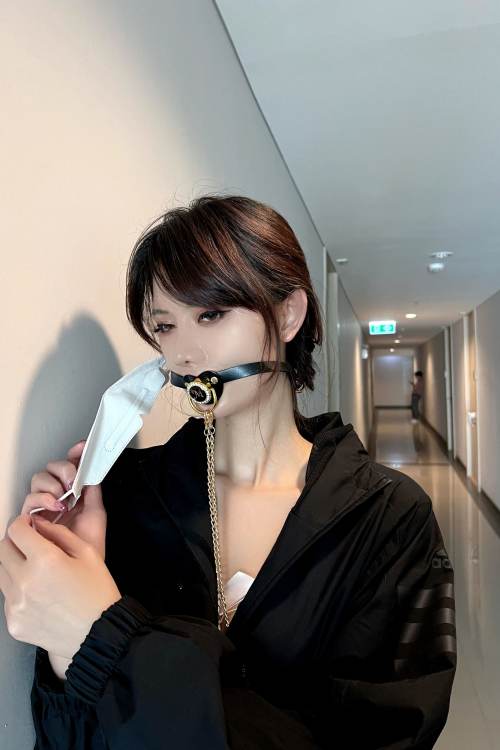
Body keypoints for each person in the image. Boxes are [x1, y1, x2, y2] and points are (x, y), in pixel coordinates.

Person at [22, 196, 455, 748]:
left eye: (211, 315)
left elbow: (386, 735)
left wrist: (104, 642)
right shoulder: (124, 497)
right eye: (164, 326)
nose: (184, 353)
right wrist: (65, 646)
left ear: (288, 315)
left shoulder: (390, 518)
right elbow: (69, 737)